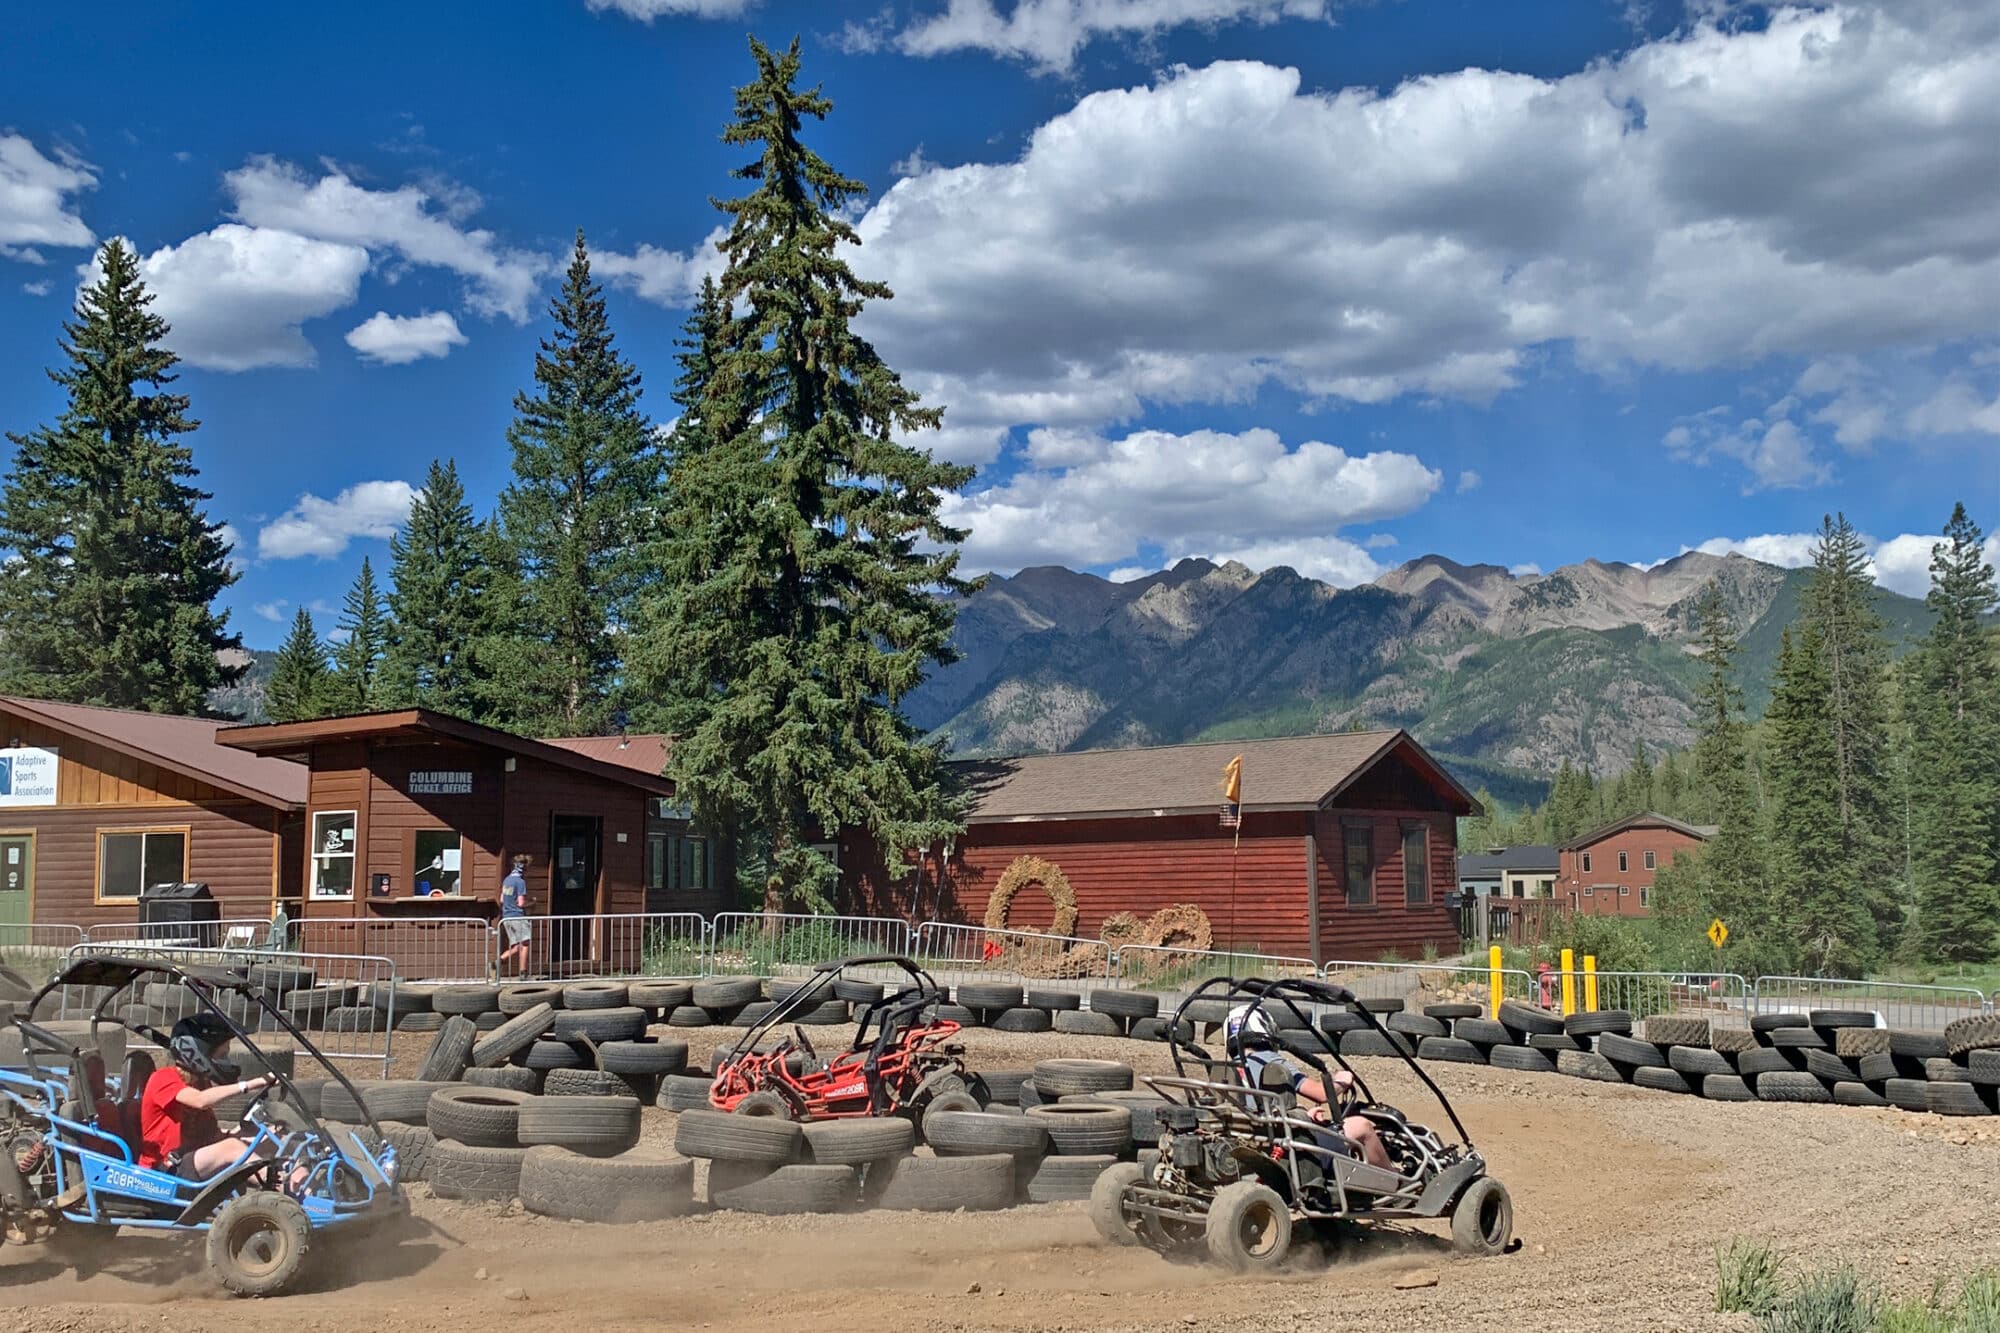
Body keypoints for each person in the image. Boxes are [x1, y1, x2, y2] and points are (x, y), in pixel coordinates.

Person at [1225, 1004, 1393, 1172]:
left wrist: (1304, 1115)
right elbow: (1320, 1094)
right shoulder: (1271, 1061)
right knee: (1361, 1126)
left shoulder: (1226, 1069)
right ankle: (1395, 1183)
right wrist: (1343, 1080)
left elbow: (1263, 1108)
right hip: (1291, 1148)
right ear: (1263, 1027)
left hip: (1253, 1140)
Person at [138, 1014, 279, 1180]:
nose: (225, 1061)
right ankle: (284, 1190)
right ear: (197, 1053)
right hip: (163, 1169)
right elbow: (200, 1101)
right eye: (221, 1055)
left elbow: (208, 1132)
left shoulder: (201, 1082)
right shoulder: (163, 1078)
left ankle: (306, 1194)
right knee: (232, 1148)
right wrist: (253, 1083)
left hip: (194, 1159)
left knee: (272, 1135)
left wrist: (239, 1133)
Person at [498, 854, 532, 976]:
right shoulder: (520, 882)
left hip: (506, 917)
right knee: (525, 944)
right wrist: (532, 903)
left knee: (517, 947)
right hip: (517, 916)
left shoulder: (507, 880)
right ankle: (523, 973)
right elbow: (521, 903)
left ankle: (498, 961)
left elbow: (502, 899)